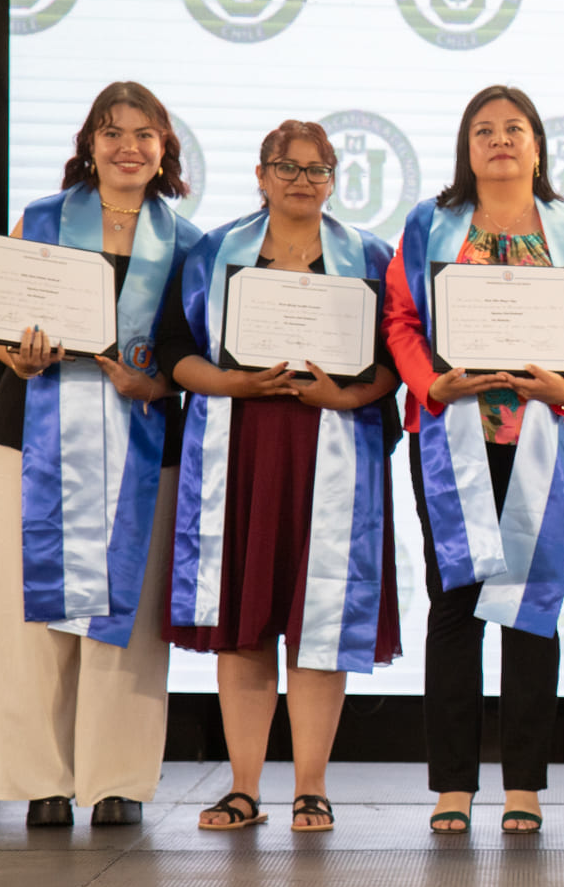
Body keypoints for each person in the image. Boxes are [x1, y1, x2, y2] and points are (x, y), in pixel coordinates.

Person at [383, 85, 564, 833]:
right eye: (483, 130)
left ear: (537, 145)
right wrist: (428, 382)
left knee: (532, 608)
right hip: (453, 436)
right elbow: (401, 319)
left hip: (547, 436)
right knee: (455, 605)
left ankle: (524, 785)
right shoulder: (429, 225)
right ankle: (453, 786)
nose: (500, 140)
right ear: (467, 147)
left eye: (514, 128)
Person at [0, 81, 203, 828]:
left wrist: (154, 381)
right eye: (112, 132)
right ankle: (39, 779)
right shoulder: (40, 219)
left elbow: (193, 351)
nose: (128, 147)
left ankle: (116, 778)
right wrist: (15, 355)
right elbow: (3, 321)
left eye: (143, 134)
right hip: (32, 434)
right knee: (29, 614)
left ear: (164, 148)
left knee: (128, 615)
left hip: (142, 440)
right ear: (89, 145)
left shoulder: (190, 242)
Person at [162, 120, 402, 833]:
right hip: (241, 446)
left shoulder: (371, 257)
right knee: (245, 622)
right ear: (261, 175)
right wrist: (232, 382)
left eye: (317, 169)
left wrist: (347, 397)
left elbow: (395, 360)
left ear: (333, 181)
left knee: (319, 617)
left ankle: (311, 788)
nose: (302, 180)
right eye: (286, 167)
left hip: (332, 448)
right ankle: (243, 787)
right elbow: (174, 350)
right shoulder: (212, 253)